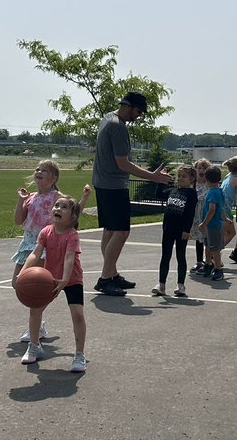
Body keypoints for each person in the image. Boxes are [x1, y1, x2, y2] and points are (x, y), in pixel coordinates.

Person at [91, 91, 174, 296]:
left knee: (110, 230)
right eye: (138, 111)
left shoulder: (107, 119)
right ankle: (105, 279)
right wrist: (152, 177)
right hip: (113, 185)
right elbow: (123, 163)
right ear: (127, 106)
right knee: (121, 231)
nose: (138, 116)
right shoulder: (118, 126)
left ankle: (111, 273)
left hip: (102, 183)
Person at [11, 161, 90, 343]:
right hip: (28, 243)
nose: (38, 172)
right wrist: (21, 200)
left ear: (54, 178)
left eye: (44, 170)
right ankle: (38, 324)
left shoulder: (57, 197)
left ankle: (36, 326)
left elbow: (74, 212)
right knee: (18, 283)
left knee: (37, 285)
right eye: (37, 169)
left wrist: (84, 197)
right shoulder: (30, 197)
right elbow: (18, 220)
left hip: (47, 243)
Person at [18, 194, 88, 372]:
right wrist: (23, 272)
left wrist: (65, 279)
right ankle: (34, 346)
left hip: (71, 279)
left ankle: (79, 355)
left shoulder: (72, 235)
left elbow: (69, 258)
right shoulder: (46, 232)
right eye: (56, 205)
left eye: (64, 207)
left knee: (77, 315)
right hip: (49, 278)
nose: (58, 209)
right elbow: (35, 254)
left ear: (72, 216)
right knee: (35, 310)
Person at [151, 164, 198, 297]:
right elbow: (158, 195)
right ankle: (161, 284)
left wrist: (186, 230)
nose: (181, 178)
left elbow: (190, 213)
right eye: (179, 176)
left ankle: (181, 285)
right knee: (165, 256)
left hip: (181, 230)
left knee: (180, 256)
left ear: (191, 179)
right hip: (168, 228)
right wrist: (161, 181)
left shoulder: (191, 193)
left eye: (184, 176)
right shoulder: (173, 191)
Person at [197, 165, 227, 281]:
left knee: (214, 248)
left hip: (212, 225)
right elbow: (222, 208)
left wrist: (204, 223)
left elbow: (212, 209)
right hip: (212, 224)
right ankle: (208, 264)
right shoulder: (220, 191)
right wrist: (225, 218)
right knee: (208, 246)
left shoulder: (212, 193)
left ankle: (218, 269)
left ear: (207, 179)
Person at [189, 158, 212, 275]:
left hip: (207, 216)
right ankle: (199, 261)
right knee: (198, 239)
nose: (201, 170)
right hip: (196, 216)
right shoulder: (193, 184)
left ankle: (210, 261)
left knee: (208, 239)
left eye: (204, 168)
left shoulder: (210, 184)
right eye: (199, 168)